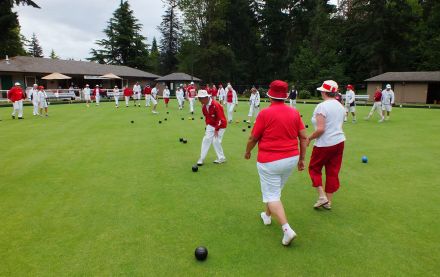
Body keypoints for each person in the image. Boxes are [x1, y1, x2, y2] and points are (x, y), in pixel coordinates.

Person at [244, 80, 307, 246]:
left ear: (270, 95)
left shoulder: (265, 113)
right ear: (285, 96)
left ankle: (287, 230)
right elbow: (304, 137)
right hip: (291, 159)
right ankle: (267, 215)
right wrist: (302, 159)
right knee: (275, 191)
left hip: (269, 161)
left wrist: (248, 151)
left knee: (272, 194)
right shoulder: (294, 112)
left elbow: (253, 137)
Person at [307, 80, 346, 210]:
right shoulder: (340, 106)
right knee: (332, 171)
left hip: (324, 143)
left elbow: (320, 129)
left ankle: (322, 196)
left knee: (314, 168)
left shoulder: (322, 106)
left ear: (324, 92)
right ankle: (328, 202)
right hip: (339, 142)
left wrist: (309, 138)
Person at [196, 90, 227, 166]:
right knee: (206, 139)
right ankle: (201, 158)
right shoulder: (203, 107)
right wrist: (208, 126)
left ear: (206, 97)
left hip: (221, 125)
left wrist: (216, 129)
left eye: (201, 98)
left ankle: (221, 158)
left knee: (216, 141)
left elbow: (220, 118)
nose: (199, 100)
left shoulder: (215, 105)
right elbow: (207, 118)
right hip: (210, 125)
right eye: (199, 98)